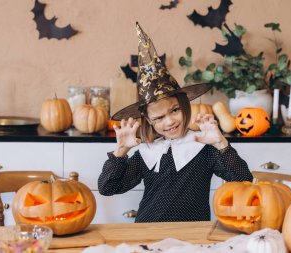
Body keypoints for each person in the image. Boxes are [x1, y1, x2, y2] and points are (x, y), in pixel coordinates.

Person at [98, 22, 253, 223]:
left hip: (192, 237)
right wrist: (120, 151)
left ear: (185, 106)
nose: (169, 121)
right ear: (148, 121)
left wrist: (221, 144)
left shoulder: (203, 149)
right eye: (159, 118)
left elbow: (243, 179)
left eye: (175, 110)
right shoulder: (146, 153)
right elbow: (107, 188)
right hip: (148, 234)